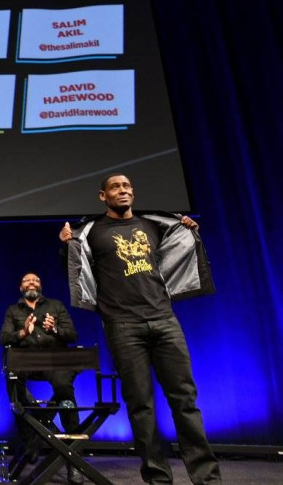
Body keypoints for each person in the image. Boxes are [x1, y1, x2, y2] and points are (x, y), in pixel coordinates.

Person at [59, 174, 221, 484]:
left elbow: (175, 252)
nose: (123, 190)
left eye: (128, 186)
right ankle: (158, 478)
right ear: (102, 196)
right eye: (116, 187)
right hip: (123, 325)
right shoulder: (91, 232)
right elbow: (76, 271)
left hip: (163, 318)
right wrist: (66, 246)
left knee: (185, 400)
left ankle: (207, 477)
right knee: (140, 405)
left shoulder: (153, 225)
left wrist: (186, 231)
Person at [0, 272, 84, 484]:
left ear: (40, 286)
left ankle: (72, 458)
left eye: (36, 280)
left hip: (54, 361)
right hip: (25, 361)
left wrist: (54, 330)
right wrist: (22, 333)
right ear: (21, 287)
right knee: (12, 379)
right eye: (27, 280)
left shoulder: (56, 306)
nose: (32, 282)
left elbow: (72, 335)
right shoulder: (13, 310)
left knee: (65, 388)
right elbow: (3, 338)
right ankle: (30, 439)